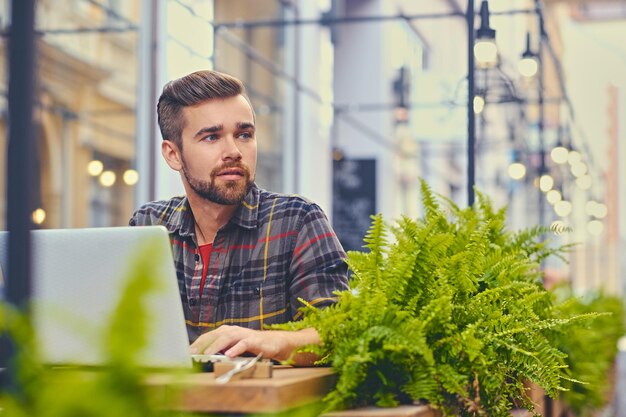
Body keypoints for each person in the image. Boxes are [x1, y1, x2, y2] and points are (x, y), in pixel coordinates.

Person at [129, 70, 349, 365]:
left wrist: (267, 341)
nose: (233, 151)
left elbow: (339, 333)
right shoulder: (149, 225)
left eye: (244, 135)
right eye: (211, 137)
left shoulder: (296, 220)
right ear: (173, 154)